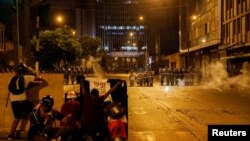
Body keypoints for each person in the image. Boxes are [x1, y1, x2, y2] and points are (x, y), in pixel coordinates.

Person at [8, 63, 48, 139]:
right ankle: (35, 131)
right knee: (32, 116)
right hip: (23, 101)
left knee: (17, 118)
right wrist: (35, 74)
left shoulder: (11, 79)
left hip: (13, 102)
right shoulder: (27, 78)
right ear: (25, 71)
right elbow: (39, 80)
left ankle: (10, 135)